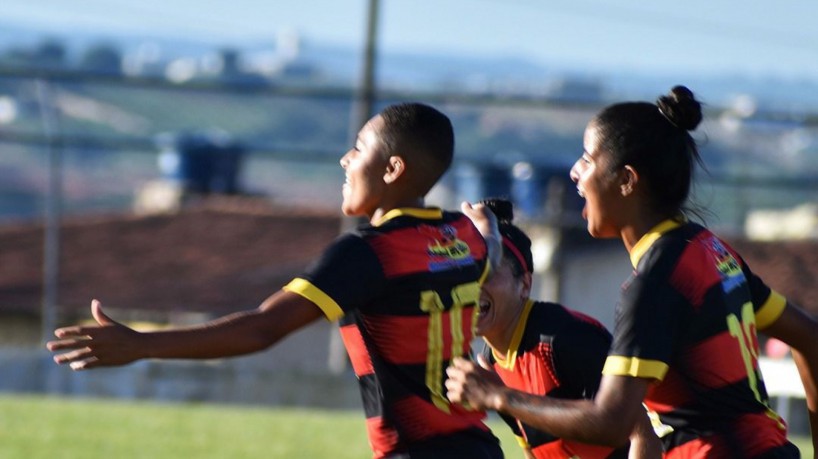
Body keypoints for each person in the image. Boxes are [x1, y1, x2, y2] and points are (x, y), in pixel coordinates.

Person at [47, 102, 506, 459]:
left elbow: (263, 328)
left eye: (359, 148)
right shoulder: (462, 237)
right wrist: (489, 229)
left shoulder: (368, 253)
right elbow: (490, 253)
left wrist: (142, 344)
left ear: (392, 169)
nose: (345, 160)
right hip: (480, 447)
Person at [445, 86, 818, 458]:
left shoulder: (655, 283)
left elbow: (613, 422)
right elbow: (809, 338)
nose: (575, 172)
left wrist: (497, 394)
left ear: (627, 180)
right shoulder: (711, 250)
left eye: (588, 160)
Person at [470, 198, 660, 459]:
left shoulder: (563, 338)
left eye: (489, 272)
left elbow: (645, 432)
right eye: (466, 272)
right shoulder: (492, 367)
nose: (473, 285)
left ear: (524, 285)